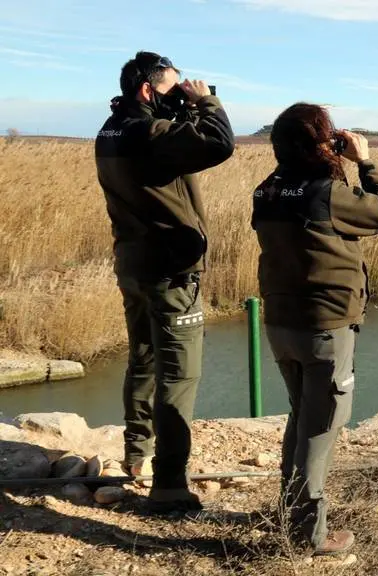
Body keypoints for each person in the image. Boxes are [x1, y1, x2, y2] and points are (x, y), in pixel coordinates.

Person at [250, 103, 378, 556]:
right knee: (321, 427)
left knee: (301, 416)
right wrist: (365, 161)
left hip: (281, 324)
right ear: (321, 142)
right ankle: (308, 537)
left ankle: (288, 512)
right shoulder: (326, 192)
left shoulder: (267, 190)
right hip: (325, 326)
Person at [95, 50, 235, 512]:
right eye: (174, 88)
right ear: (146, 90)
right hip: (169, 271)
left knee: (143, 357)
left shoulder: (111, 130)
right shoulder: (152, 133)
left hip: (133, 264)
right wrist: (206, 105)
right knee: (179, 373)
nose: (183, 95)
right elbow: (219, 144)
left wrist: (180, 104)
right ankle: (170, 482)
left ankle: (136, 455)